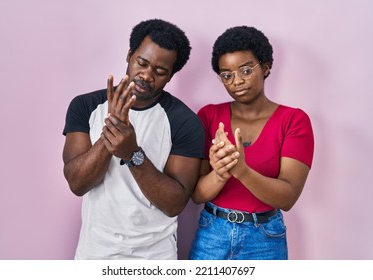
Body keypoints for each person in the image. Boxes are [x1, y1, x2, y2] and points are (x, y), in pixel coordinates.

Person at [62, 19, 204, 260]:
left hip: (154, 257)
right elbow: (77, 183)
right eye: (142, 63)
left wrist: (132, 153)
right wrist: (110, 136)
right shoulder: (85, 106)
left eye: (160, 71)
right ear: (129, 55)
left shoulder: (185, 122)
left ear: (171, 76)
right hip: (95, 253)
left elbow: (174, 204)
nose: (147, 75)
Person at [189, 26, 314, 260]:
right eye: (227, 75)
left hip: (265, 238)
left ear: (265, 67)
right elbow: (197, 194)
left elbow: (287, 198)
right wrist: (221, 172)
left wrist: (242, 171)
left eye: (246, 70)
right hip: (212, 232)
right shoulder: (208, 116)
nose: (237, 81)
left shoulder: (293, 120)